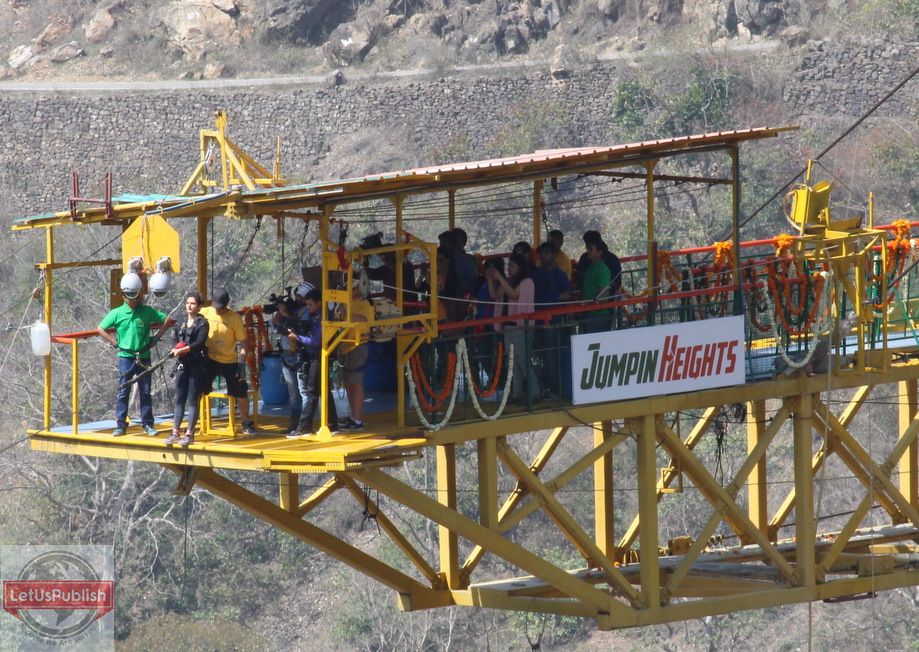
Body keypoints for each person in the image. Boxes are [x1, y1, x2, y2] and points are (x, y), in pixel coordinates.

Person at [96, 275, 171, 437]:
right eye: (132, 299)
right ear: (124, 297)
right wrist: (114, 343)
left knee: (145, 391)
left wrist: (157, 338)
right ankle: (121, 425)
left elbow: (166, 319)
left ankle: (147, 424)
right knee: (124, 391)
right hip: (126, 357)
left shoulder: (147, 312)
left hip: (143, 356)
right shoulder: (117, 313)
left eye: (137, 298)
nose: (135, 301)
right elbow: (100, 328)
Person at [200, 288, 257, 436]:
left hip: (229, 360)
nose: (217, 310)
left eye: (220, 307)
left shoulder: (235, 319)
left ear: (226, 306)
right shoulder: (206, 311)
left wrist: (242, 364)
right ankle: (198, 422)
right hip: (210, 358)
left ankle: (246, 422)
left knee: (241, 391)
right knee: (198, 388)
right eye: (215, 306)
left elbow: (244, 344)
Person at [287, 289, 339, 438]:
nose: (308, 307)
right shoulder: (315, 316)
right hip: (317, 356)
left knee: (311, 392)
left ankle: (304, 427)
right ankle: (332, 423)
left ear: (319, 303)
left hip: (319, 356)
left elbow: (316, 341)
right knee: (324, 390)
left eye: (310, 304)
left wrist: (297, 338)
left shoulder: (323, 319)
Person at [487, 253, 539, 403]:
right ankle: (517, 393)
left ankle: (534, 392)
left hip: (521, 326)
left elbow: (514, 294)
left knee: (523, 360)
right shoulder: (510, 281)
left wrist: (500, 278)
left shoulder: (527, 282)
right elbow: (495, 295)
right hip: (508, 326)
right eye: (508, 265)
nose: (509, 269)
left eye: (512, 266)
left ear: (520, 267)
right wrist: (490, 279)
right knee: (513, 361)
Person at [165, 292, 210, 446]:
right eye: (188, 303)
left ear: (198, 306)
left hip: (196, 364)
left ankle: (190, 432)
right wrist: (175, 348)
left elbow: (199, 342)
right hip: (183, 364)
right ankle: (175, 431)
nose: (189, 306)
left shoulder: (203, 324)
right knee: (179, 398)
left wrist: (183, 350)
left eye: (193, 304)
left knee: (192, 400)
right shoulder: (181, 323)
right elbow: (175, 338)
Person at [271, 283, 312, 433]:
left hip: (300, 355)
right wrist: (278, 315)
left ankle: (304, 424)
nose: (297, 300)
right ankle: (294, 423)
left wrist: (286, 314)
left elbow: (300, 326)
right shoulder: (294, 310)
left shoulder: (307, 311)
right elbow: (277, 327)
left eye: (300, 297)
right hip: (287, 354)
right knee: (293, 392)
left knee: (303, 392)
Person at [533, 242, 570, 398]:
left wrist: (559, 296)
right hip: (535, 321)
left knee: (551, 355)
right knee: (538, 356)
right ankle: (542, 387)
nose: (543, 256)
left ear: (554, 255)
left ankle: (554, 388)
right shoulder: (535, 274)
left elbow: (567, 293)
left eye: (547, 253)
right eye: (541, 253)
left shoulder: (560, 275)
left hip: (552, 321)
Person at [338, 284, 374, 432]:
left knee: (356, 382)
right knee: (348, 382)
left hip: (358, 345)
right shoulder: (347, 304)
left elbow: (365, 320)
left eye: (352, 288)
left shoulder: (365, 304)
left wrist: (345, 315)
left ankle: (358, 419)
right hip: (347, 346)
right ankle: (353, 416)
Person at [581, 240, 613, 332]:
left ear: (600, 252)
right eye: (587, 249)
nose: (588, 252)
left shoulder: (602, 269)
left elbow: (602, 298)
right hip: (589, 313)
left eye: (591, 249)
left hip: (598, 315)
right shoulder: (591, 268)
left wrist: (588, 304)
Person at [451, 227, 478, 297]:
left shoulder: (469, 260)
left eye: (457, 241)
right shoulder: (444, 260)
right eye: (452, 241)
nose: (454, 244)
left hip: (463, 296)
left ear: (464, 243)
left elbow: (473, 282)